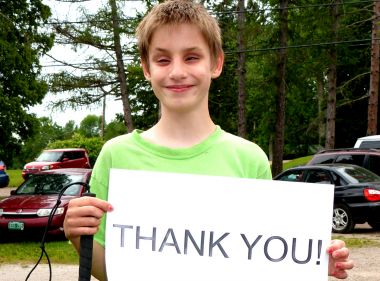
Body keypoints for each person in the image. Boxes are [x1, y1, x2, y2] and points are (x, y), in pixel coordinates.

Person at [63, 0, 354, 280]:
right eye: (163, 59)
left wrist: (309, 263)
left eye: (191, 57)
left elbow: (260, 264)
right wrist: (78, 237)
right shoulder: (116, 156)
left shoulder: (249, 160)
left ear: (216, 63)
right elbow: (111, 273)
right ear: (147, 69)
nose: (177, 72)